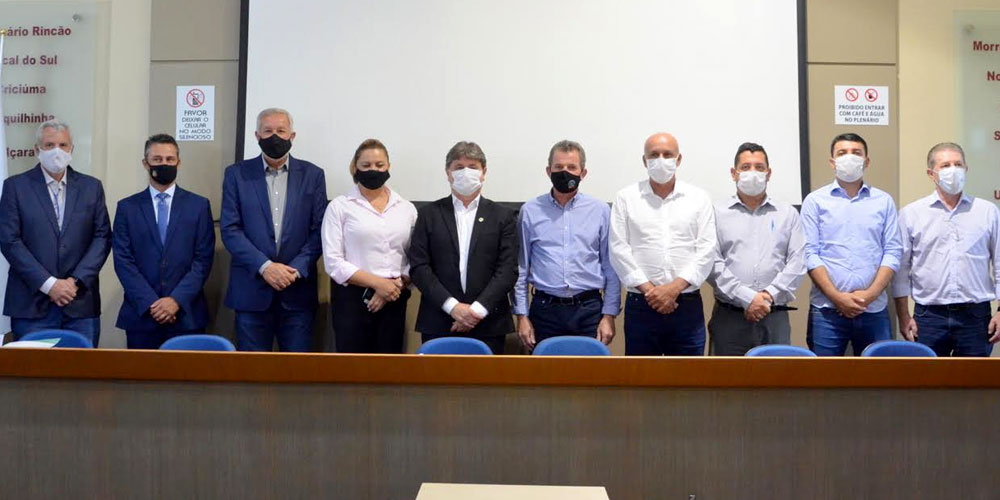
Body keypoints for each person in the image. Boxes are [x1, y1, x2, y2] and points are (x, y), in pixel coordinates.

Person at [220, 108, 327, 351]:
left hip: (297, 292)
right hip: (251, 292)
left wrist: (295, 270)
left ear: (292, 136)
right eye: (268, 131)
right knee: (252, 370)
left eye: (281, 130)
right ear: (257, 136)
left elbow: (319, 230)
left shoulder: (313, 175)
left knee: (297, 370)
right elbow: (230, 229)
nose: (275, 136)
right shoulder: (236, 174)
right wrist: (265, 267)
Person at [0, 119, 111, 346]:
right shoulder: (15, 187)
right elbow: (10, 241)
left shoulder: (91, 187)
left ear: (72, 149)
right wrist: (50, 284)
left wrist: (74, 282)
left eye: (63, 145)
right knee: (32, 369)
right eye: (49, 145)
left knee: (81, 369)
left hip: (80, 303)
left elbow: (102, 237)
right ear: (37, 149)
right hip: (31, 305)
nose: (57, 151)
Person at [609, 132, 717, 356]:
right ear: (644, 160)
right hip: (642, 304)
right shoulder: (626, 198)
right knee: (641, 374)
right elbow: (619, 249)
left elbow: (706, 250)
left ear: (679, 159)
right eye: (654, 155)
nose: (661, 160)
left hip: (686, 305)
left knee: (689, 374)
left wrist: (673, 289)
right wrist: (652, 292)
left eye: (667, 155)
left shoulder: (699, 198)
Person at [407, 141, 518, 354]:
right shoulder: (429, 214)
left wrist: (476, 311)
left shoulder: (503, 216)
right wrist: (453, 307)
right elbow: (420, 267)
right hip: (439, 320)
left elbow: (507, 269)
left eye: (473, 167)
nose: (466, 172)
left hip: (489, 322)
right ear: (448, 173)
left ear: (484, 172)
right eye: (459, 167)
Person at [893, 142, 1000, 356]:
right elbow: (901, 271)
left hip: (975, 317)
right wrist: (903, 316)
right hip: (929, 317)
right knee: (928, 377)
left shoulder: (988, 211)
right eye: (945, 165)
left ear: (966, 169)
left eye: (958, 164)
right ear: (931, 174)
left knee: (973, 377)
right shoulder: (911, 214)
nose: (953, 170)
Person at [800, 133, 902, 356]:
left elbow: (893, 251)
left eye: (856, 153)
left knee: (878, 374)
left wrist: (870, 295)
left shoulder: (883, 201)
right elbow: (810, 253)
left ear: (867, 161)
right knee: (824, 375)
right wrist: (837, 297)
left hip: (874, 309)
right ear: (832, 162)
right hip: (827, 311)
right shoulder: (815, 201)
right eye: (842, 153)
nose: (849, 157)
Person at [513, 140, 620, 351]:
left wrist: (609, 315)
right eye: (559, 167)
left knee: (589, 370)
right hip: (544, 311)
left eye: (572, 167)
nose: (565, 172)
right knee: (544, 371)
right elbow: (521, 267)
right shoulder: (530, 210)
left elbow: (611, 266)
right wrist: (522, 316)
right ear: (548, 171)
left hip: (589, 310)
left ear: (583, 172)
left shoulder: (600, 211)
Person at [112, 134, 215, 349]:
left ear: (179, 162)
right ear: (145, 163)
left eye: (170, 159)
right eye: (157, 159)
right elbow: (123, 261)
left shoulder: (198, 206)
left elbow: (203, 260)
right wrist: (151, 303)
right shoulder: (127, 208)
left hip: (186, 314)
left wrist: (175, 301)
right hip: (142, 315)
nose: (164, 164)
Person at [707, 142, 806, 355]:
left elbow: (797, 262)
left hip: (775, 316)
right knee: (726, 376)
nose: (753, 172)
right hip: (730, 317)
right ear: (733, 173)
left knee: (777, 374)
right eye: (745, 167)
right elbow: (712, 263)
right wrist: (747, 298)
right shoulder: (715, 213)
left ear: (768, 173)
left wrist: (767, 296)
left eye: (759, 167)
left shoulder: (787, 214)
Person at [322, 139, 417, 353]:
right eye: (366, 165)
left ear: (388, 166)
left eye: (379, 165)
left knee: (390, 367)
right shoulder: (339, 207)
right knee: (353, 366)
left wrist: (392, 287)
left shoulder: (406, 208)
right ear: (355, 168)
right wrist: (378, 284)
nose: (373, 169)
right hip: (352, 301)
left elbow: (416, 258)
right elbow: (333, 262)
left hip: (395, 297)